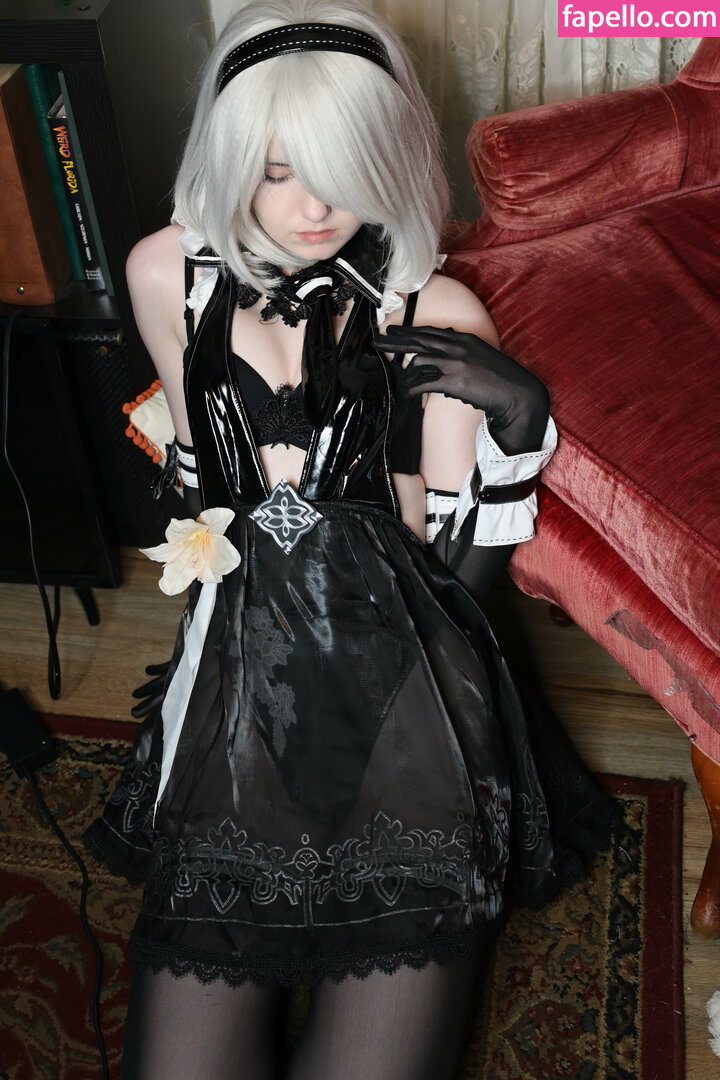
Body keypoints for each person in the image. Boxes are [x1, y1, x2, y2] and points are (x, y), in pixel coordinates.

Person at [85, 2, 616, 1077]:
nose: (317, 205)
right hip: (246, 683)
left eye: (344, 168)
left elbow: (456, 586)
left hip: (406, 695)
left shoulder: (435, 312)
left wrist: (517, 434)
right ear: (230, 156)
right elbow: (199, 486)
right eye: (279, 171)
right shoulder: (163, 276)